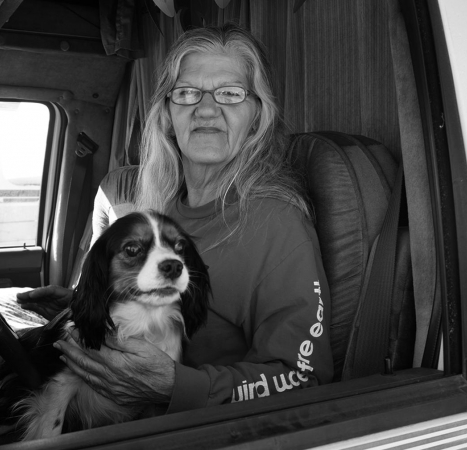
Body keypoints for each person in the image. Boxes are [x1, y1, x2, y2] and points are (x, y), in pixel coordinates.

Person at [19, 23, 333, 414]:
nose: (205, 109)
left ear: (258, 117)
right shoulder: (160, 212)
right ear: (167, 116)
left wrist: (177, 386)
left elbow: (304, 378)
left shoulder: (276, 224)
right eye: (186, 93)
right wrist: (89, 304)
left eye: (231, 93)